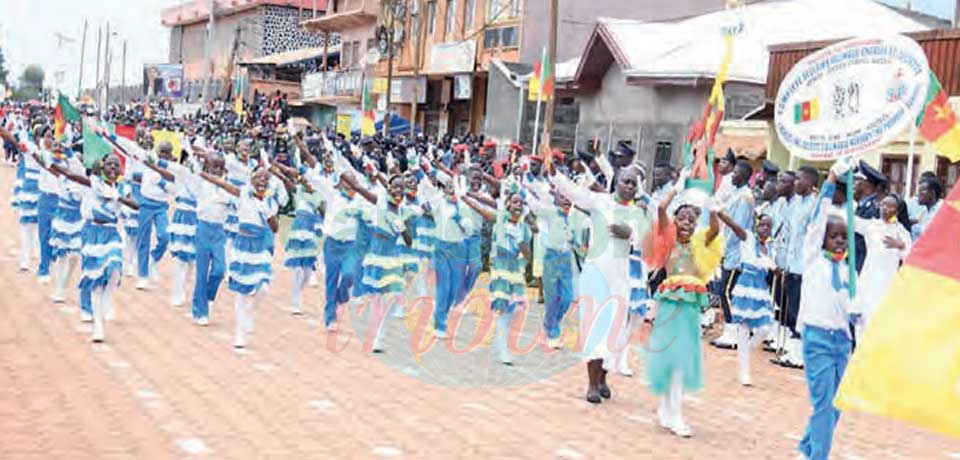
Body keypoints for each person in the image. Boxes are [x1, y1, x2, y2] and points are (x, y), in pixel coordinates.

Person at [549, 161, 649, 405]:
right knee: (596, 329)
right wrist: (553, 173)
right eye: (625, 181)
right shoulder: (599, 202)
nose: (629, 186)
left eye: (633, 184)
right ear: (616, 182)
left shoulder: (638, 212)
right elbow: (573, 192)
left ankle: (603, 378)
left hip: (620, 279)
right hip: (595, 275)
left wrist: (630, 234)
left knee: (614, 333)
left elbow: (644, 238)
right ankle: (592, 384)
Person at [643, 173, 725, 437]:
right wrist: (677, 185)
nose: (687, 223)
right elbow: (660, 209)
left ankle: (674, 413)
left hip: (689, 309)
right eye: (682, 218)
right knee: (669, 358)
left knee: (680, 360)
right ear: (674, 221)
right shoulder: (667, 242)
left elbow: (715, 230)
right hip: (668, 305)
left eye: (692, 219)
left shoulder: (701, 243)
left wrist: (712, 207)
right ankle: (668, 411)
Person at [796, 160, 854, 460]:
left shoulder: (848, 271)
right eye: (834, 236)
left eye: (844, 237)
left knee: (837, 403)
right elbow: (819, 220)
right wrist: (831, 178)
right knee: (823, 403)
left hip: (842, 342)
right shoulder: (812, 259)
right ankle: (818, 455)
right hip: (817, 338)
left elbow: (852, 306)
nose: (840, 241)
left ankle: (806, 448)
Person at [201, 167, 280, 349]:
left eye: (265, 178)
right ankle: (239, 334)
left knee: (264, 288)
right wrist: (201, 172)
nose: (262, 180)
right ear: (252, 179)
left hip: (259, 246)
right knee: (242, 293)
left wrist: (268, 213)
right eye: (258, 176)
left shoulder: (270, 201)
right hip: (242, 244)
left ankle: (251, 312)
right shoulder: (243, 193)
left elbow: (275, 228)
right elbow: (221, 182)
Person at [463, 188, 530, 365]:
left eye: (521, 203)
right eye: (515, 202)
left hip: (515, 269)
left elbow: (529, 256)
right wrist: (465, 197)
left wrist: (521, 243)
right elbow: (482, 210)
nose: (518, 205)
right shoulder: (500, 219)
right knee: (503, 308)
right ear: (508, 204)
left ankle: (500, 340)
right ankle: (503, 349)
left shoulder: (524, 228)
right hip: (500, 268)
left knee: (515, 309)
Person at [723, 212, 776, 386]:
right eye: (762, 225)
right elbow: (733, 225)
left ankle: (746, 352)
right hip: (746, 285)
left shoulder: (770, 248)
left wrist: (774, 269)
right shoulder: (748, 238)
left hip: (760, 288)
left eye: (769, 226)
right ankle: (743, 370)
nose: (765, 229)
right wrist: (720, 212)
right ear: (756, 225)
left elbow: (772, 267)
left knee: (765, 328)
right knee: (743, 329)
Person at [775, 166, 819, 369]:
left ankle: (800, 352)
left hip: (806, 266)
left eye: (799, 179)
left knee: (801, 308)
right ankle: (792, 350)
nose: (795, 183)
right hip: (791, 264)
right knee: (791, 307)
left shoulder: (814, 205)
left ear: (810, 183)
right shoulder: (794, 205)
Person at [850, 194, 911, 337]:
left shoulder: (901, 232)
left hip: (887, 283)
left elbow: (910, 258)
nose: (885, 209)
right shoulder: (872, 225)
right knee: (862, 323)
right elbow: (850, 220)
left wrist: (901, 246)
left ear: (897, 211)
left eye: (890, 206)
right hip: (868, 280)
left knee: (880, 323)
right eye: (883, 204)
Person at [711, 160, 755, 350]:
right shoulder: (736, 194)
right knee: (723, 290)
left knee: (727, 291)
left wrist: (721, 215)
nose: (732, 176)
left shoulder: (745, 197)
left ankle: (733, 331)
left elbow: (741, 230)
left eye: (736, 173)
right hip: (727, 249)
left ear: (745, 176)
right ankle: (730, 330)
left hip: (736, 253)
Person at [134, 141, 176, 289]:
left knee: (165, 237)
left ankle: (154, 259)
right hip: (145, 204)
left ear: (170, 155)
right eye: (161, 151)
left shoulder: (172, 169)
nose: (163, 155)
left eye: (166, 152)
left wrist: (162, 183)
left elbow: (175, 190)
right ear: (156, 151)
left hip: (161, 207)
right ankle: (142, 276)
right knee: (143, 240)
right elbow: (134, 175)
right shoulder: (149, 162)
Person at [852, 161, 886, 273]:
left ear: (866, 184)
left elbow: (863, 245)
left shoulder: (874, 210)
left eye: (857, 180)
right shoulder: (860, 205)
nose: (853, 184)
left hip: (862, 267)